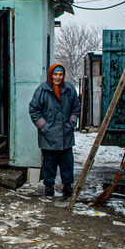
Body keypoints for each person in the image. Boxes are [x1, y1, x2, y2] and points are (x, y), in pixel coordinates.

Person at [28, 63, 80, 197]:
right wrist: (44, 127)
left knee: (67, 161)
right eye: (55, 74)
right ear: (50, 75)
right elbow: (34, 110)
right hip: (48, 135)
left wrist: (71, 123)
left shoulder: (69, 89)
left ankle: (67, 185)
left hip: (65, 133)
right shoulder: (43, 90)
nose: (57, 77)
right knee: (49, 162)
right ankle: (49, 186)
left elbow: (76, 107)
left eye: (60, 74)